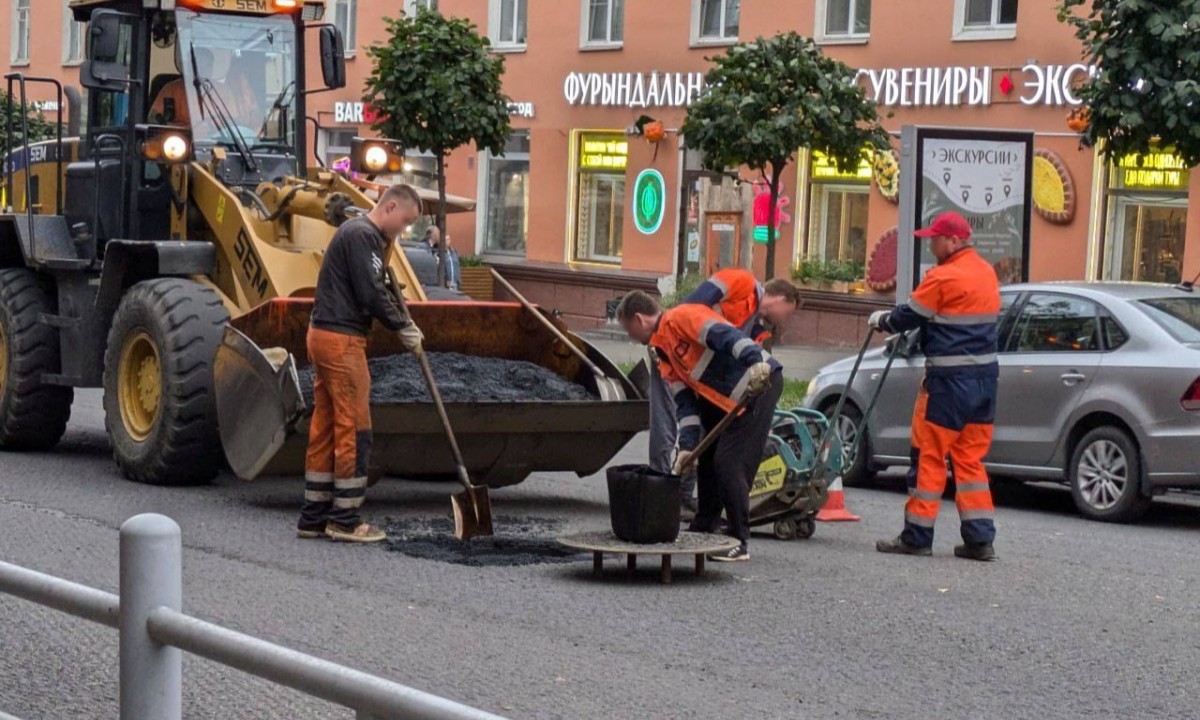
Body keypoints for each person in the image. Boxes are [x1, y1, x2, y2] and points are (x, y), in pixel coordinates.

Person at [869, 211, 1000, 562]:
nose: (931, 243)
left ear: (953, 240)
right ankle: (980, 540)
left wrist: (881, 320)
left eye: (935, 238)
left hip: (948, 383)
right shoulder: (987, 273)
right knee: (970, 461)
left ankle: (917, 536)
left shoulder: (943, 277)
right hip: (986, 382)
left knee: (930, 456)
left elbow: (909, 315)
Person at [299, 184, 426, 543]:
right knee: (354, 427)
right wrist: (403, 327)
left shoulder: (360, 236)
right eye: (405, 220)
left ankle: (313, 517)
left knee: (325, 424)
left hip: (322, 335)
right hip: (342, 342)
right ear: (391, 207)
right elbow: (370, 291)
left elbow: (372, 286)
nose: (404, 229)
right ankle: (345, 519)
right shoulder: (363, 235)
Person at [618, 291, 783, 562]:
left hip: (759, 386)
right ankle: (706, 523)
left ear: (638, 319)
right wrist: (687, 447)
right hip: (724, 400)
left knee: (729, 463)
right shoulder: (663, 354)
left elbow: (726, 336)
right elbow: (685, 405)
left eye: (628, 330)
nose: (630, 338)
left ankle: (739, 540)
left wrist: (756, 362)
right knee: (707, 460)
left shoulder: (681, 317)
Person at [647, 269, 801, 517]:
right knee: (675, 424)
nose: (784, 320)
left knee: (717, 455)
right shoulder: (741, 282)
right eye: (788, 313)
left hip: (703, 382)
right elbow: (696, 306)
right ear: (782, 299)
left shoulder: (756, 328)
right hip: (672, 351)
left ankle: (694, 504)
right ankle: (677, 493)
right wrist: (675, 339)